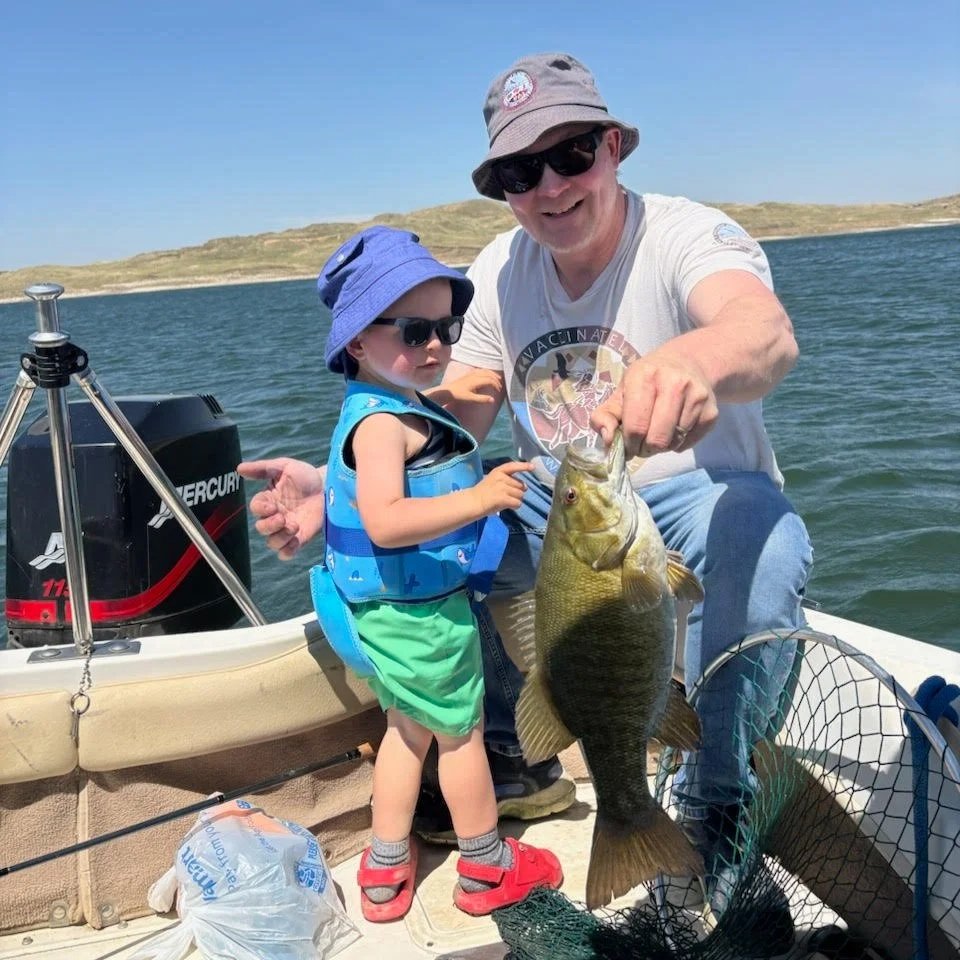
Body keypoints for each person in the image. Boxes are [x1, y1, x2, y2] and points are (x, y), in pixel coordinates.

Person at [241, 51, 812, 932]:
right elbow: (464, 403)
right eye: (519, 170)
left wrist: (693, 363)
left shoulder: (686, 234)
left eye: (572, 152)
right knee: (440, 542)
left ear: (615, 146)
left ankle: (715, 797)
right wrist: (348, 486)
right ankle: (511, 754)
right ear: (503, 187)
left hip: (690, 493)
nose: (549, 185)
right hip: (567, 502)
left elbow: (764, 332)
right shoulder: (504, 265)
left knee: (765, 543)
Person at [304, 225, 563, 922]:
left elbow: (435, 426)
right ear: (358, 341)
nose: (436, 348)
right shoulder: (382, 427)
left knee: (406, 733)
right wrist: (480, 497)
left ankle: (385, 870)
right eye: (415, 331)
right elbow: (385, 519)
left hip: (387, 616)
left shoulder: (391, 406)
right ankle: (486, 864)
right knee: (461, 738)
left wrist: (475, 383)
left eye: (447, 328)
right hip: (421, 622)